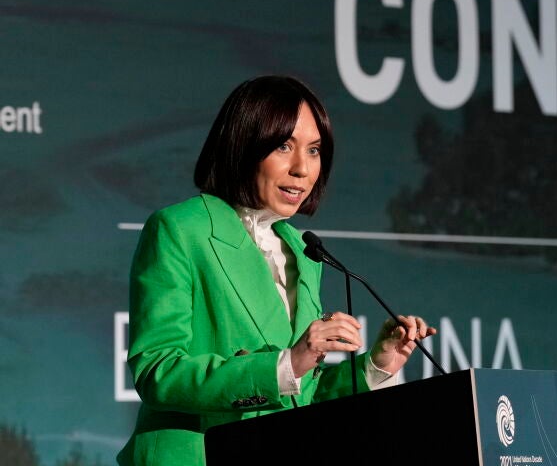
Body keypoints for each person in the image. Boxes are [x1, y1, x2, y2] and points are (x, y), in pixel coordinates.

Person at [117, 76, 436, 465]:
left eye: (314, 150)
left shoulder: (303, 251)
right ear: (243, 145)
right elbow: (158, 372)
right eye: (284, 146)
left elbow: (298, 393)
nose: (302, 169)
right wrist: (285, 364)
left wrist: (375, 366)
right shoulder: (180, 230)